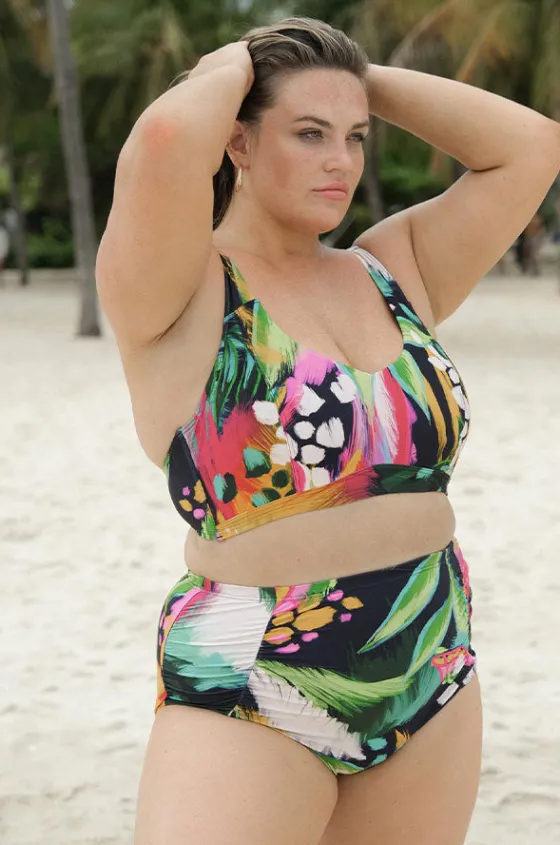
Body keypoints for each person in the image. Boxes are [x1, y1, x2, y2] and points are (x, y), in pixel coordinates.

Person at [95, 16, 560, 845]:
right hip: (256, 669)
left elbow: (531, 147)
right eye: (309, 134)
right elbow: (164, 138)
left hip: (428, 649)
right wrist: (243, 61)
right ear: (238, 140)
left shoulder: (393, 269)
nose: (341, 160)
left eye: (355, 137)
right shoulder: (183, 286)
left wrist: (352, 78)